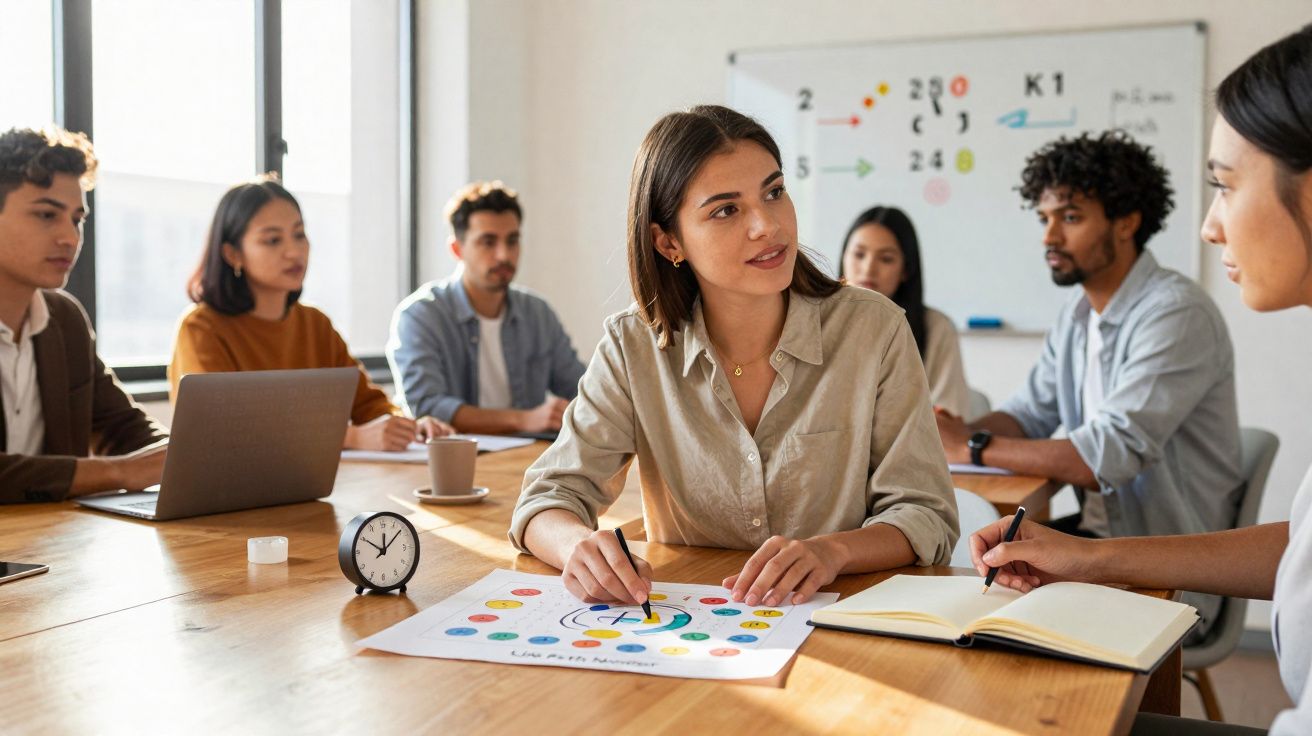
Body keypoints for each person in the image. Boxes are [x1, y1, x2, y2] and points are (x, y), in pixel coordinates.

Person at [971, 25, 1312, 735]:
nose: (1213, 227)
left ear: (1126, 220)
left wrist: (971, 447)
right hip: (1120, 545)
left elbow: (1104, 456)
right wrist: (963, 429)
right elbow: (1031, 413)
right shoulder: (1076, 316)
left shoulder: (1176, 312)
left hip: (1179, 576)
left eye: (1224, 187)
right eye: (1044, 217)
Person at [510, 105, 958, 609]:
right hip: (696, 632)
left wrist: (832, 551)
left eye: (774, 191)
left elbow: (925, 515)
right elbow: (546, 500)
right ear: (668, 241)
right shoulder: (632, 346)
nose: (767, 225)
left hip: (841, 619)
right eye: (726, 210)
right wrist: (578, 547)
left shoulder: (874, 330)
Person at [168, 175, 451, 452]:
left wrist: (408, 425)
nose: (294, 251)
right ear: (232, 254)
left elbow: (368, 405)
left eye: (299, 234)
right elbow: (224, 429)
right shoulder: (201, 328)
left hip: (316, 484)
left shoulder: (315, 323)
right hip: (232, 493)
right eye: (273, 240)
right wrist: (352, 438)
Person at [0, 126, 167, 502]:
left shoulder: (64, 319)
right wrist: (120, 471)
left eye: (77, 219)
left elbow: (121, 424)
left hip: (51, 547)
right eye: (46, 215)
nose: (70, 237)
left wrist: (184, 455)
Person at [387, 182, 586, 436]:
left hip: (528, 458)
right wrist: (524, 420)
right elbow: (426, 405)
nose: (504, 255)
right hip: (455, 459)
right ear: (457, 249)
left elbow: (582, 389)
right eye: (488, 242)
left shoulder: (537, 313)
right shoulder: (420, 315)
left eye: (512, 241)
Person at [840, 205, 970, 416]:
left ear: (906, 270)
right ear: (844, 257)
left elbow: (948, 419)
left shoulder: (935, 328)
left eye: (886, 259)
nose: (868, 269)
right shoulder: (816, 321)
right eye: (859, 254)